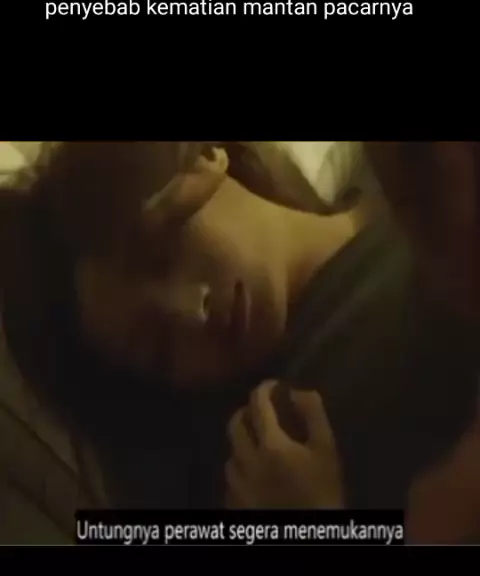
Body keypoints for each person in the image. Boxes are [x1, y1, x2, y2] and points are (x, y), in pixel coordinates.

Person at [1, 141, 478, 541]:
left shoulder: (422, 187)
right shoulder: (264, 453)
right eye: (160, 347)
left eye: (162, 253)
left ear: (204, 157)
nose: (194, 311)